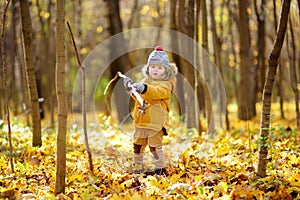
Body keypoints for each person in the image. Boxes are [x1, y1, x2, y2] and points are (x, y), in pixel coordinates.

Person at [123, 46, 178, 175]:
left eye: (159, 68)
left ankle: (159, 169)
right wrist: (131, 89)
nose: (155, 70)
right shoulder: (146, 81)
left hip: (156, 122)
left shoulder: (167, 83)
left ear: (165, 70)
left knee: (154, 146)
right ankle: (137, 167)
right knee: (138, 144)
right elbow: (139, 97)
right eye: (153, 67)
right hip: (142, 119)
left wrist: (144, 88)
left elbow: (156, 92)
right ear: (148, 67)